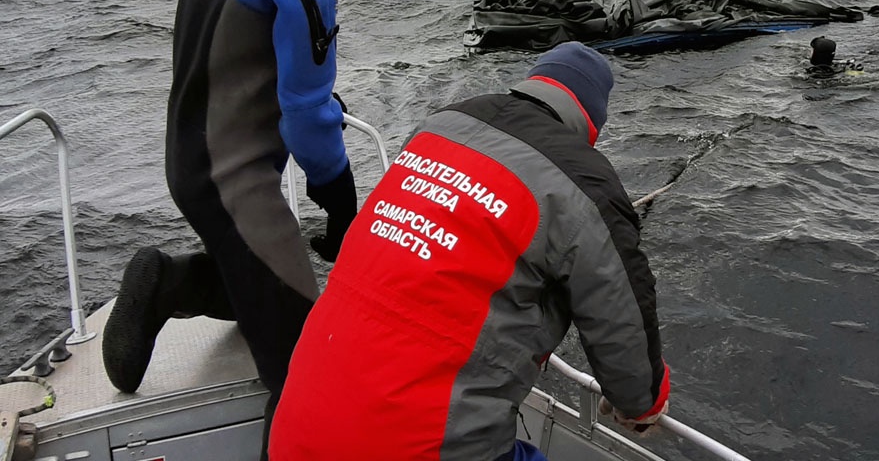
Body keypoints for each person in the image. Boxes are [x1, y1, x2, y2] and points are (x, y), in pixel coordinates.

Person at [102, 0, 367, 459]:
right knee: (309, 366)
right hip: (236, 179)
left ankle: (171, 282)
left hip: (187, 157)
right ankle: (172, 281)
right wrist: (341, 203)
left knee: (268, 286)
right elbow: (306, 111)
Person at [269, 42, 671, 461]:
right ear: (592, 122)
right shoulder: (585, 183)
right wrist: (642, 403)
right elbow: (622, 318)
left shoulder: (439, 126)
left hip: (296, 428)